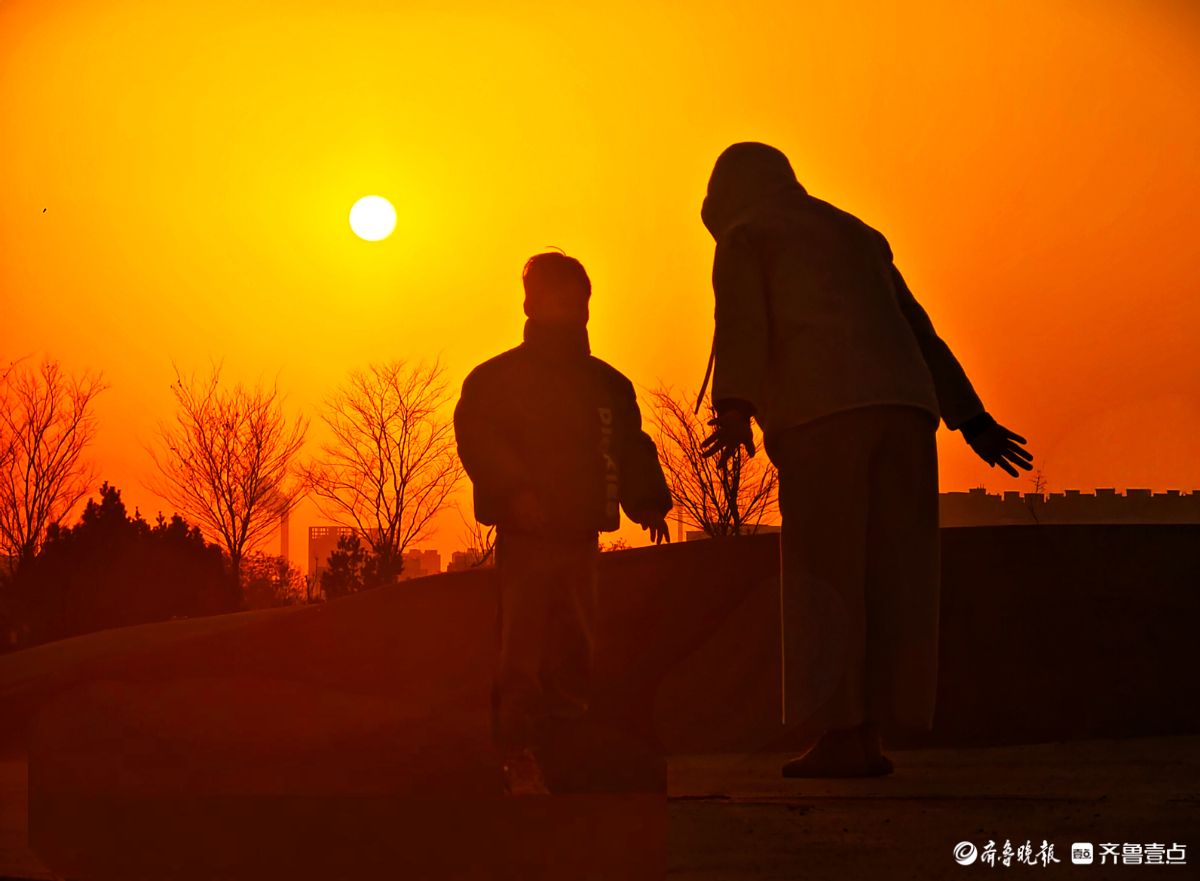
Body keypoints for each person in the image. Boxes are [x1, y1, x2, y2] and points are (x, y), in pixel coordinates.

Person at [697, 142, 1032, 777]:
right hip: (907, 409)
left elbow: (741, 321)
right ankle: (872, 732)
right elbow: (918, 328)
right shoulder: (857, 232)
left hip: (825, 415)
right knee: (894, 577)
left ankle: (840, 734)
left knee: (826, 577)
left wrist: (734, 404)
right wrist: (971, 417)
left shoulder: (747, 232)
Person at [454, 251, 673, 795]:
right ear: (530, 303)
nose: (567, 307)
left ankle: (568, 747)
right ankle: (517, 752)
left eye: (576, 297)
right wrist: (514, 492)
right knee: (521, 649)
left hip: (581, 532)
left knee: (576, 642)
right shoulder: (496, 379)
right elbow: (479, 438)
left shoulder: (608, 385)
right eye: (555, 295)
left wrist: (648, 501)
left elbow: (628, 443)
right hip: (526, 535)